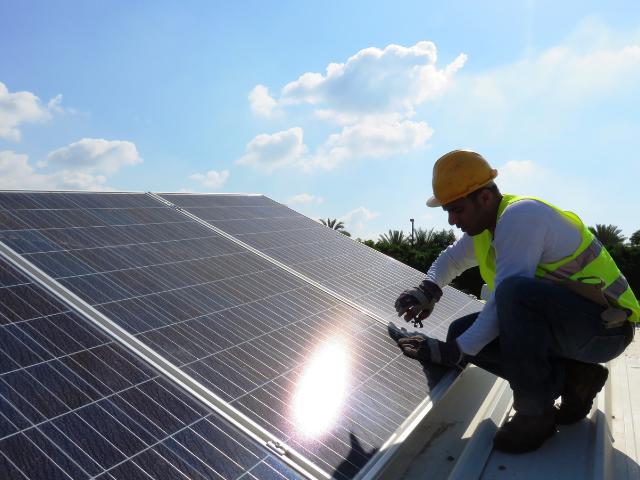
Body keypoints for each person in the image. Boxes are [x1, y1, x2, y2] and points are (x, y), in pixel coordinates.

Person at [394, 150, 639, 454]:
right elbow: (452, 259)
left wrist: (456, 353)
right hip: (575, 328)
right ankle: (575, 379)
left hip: (607, 329)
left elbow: (504, 300)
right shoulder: (487, 227)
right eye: (447, 211)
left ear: (484, 198)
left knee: (510, 297)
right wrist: (427, 289)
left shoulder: (522, 216)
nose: (451, 220)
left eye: (456, 209)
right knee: (461, 331)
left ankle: (536, 414)